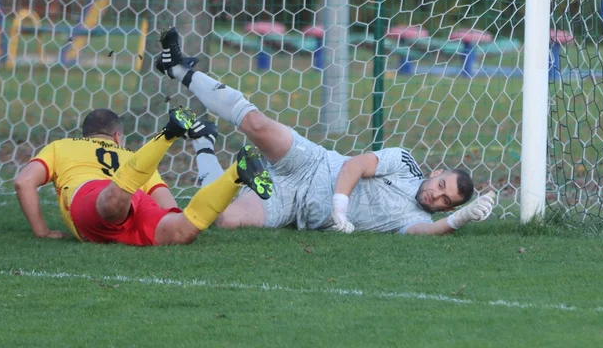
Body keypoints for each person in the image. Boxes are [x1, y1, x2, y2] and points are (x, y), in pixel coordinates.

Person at [153, 27, 496, 235]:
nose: (437, 196)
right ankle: (178, 68)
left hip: (293, 204)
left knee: (224, 219)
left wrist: (461, 219)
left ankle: (203, 141)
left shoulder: (412, 219)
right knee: (256, 124)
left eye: (446, 201)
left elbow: (429, 232)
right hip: (310, 162)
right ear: (436, 173)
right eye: (440, 185)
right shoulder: (404, 163)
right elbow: (355, 166)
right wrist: (340, 207)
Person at [13, 106, 273, 246]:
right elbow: (169, 206)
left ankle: (169, 134)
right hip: (133, 195)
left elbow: (24, 182)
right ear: (117, 137)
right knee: (182, 231)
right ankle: (235, 174)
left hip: (91, 194)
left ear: (85, 134)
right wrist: (178, 218)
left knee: (110, 204)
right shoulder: (132, 156)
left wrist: (42, 233)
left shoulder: (63, 145)